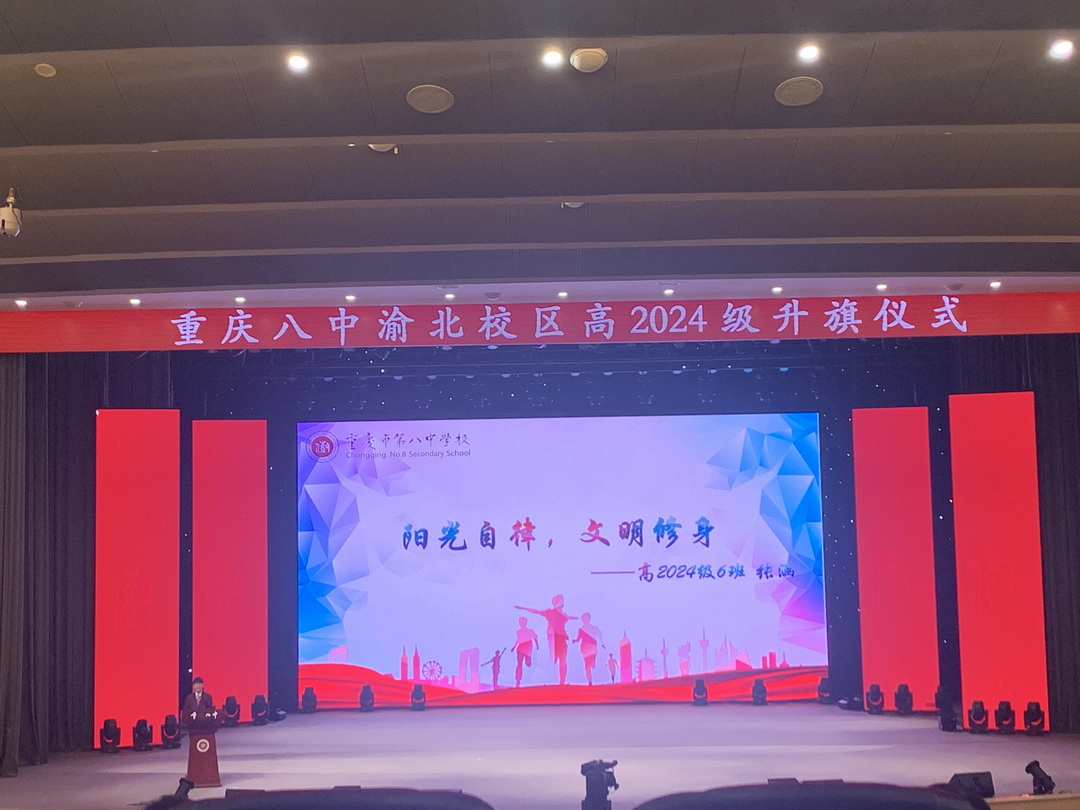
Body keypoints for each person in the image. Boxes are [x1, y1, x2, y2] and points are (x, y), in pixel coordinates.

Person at [515, 594, 577, 685]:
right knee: (558, 659)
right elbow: (536, 611)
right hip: (555, 638)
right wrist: (523, 608)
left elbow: (568, 617)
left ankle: (562, 681)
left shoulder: (562, 614)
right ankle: (560, 681)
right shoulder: (550, 612)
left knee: (562, 660)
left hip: (561, 638)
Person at [572, 612, 605, 685]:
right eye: (583, 618)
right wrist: (575, 640)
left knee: (592, 664)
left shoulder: (594, 628)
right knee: (587, 664)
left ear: (589, 619)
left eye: (586, 618)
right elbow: (579, 638)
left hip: (593, 647)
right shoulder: (581, 629)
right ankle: (589, 680)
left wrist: (603, 643)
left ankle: (591, 666)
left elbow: (600, 635)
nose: (585, 620)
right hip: (585, 647)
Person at [513, 617, 539, 687]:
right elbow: (518, 640)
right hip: (520, 649)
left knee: (528, 663)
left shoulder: (529, 631)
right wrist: (514, 647)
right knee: (519, 664)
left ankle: (528, 661)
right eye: (520, 622)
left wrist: (537, 645)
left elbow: (535, 638)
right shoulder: (518, 632)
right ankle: (518, 679)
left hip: (527, 649)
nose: (520, 623)